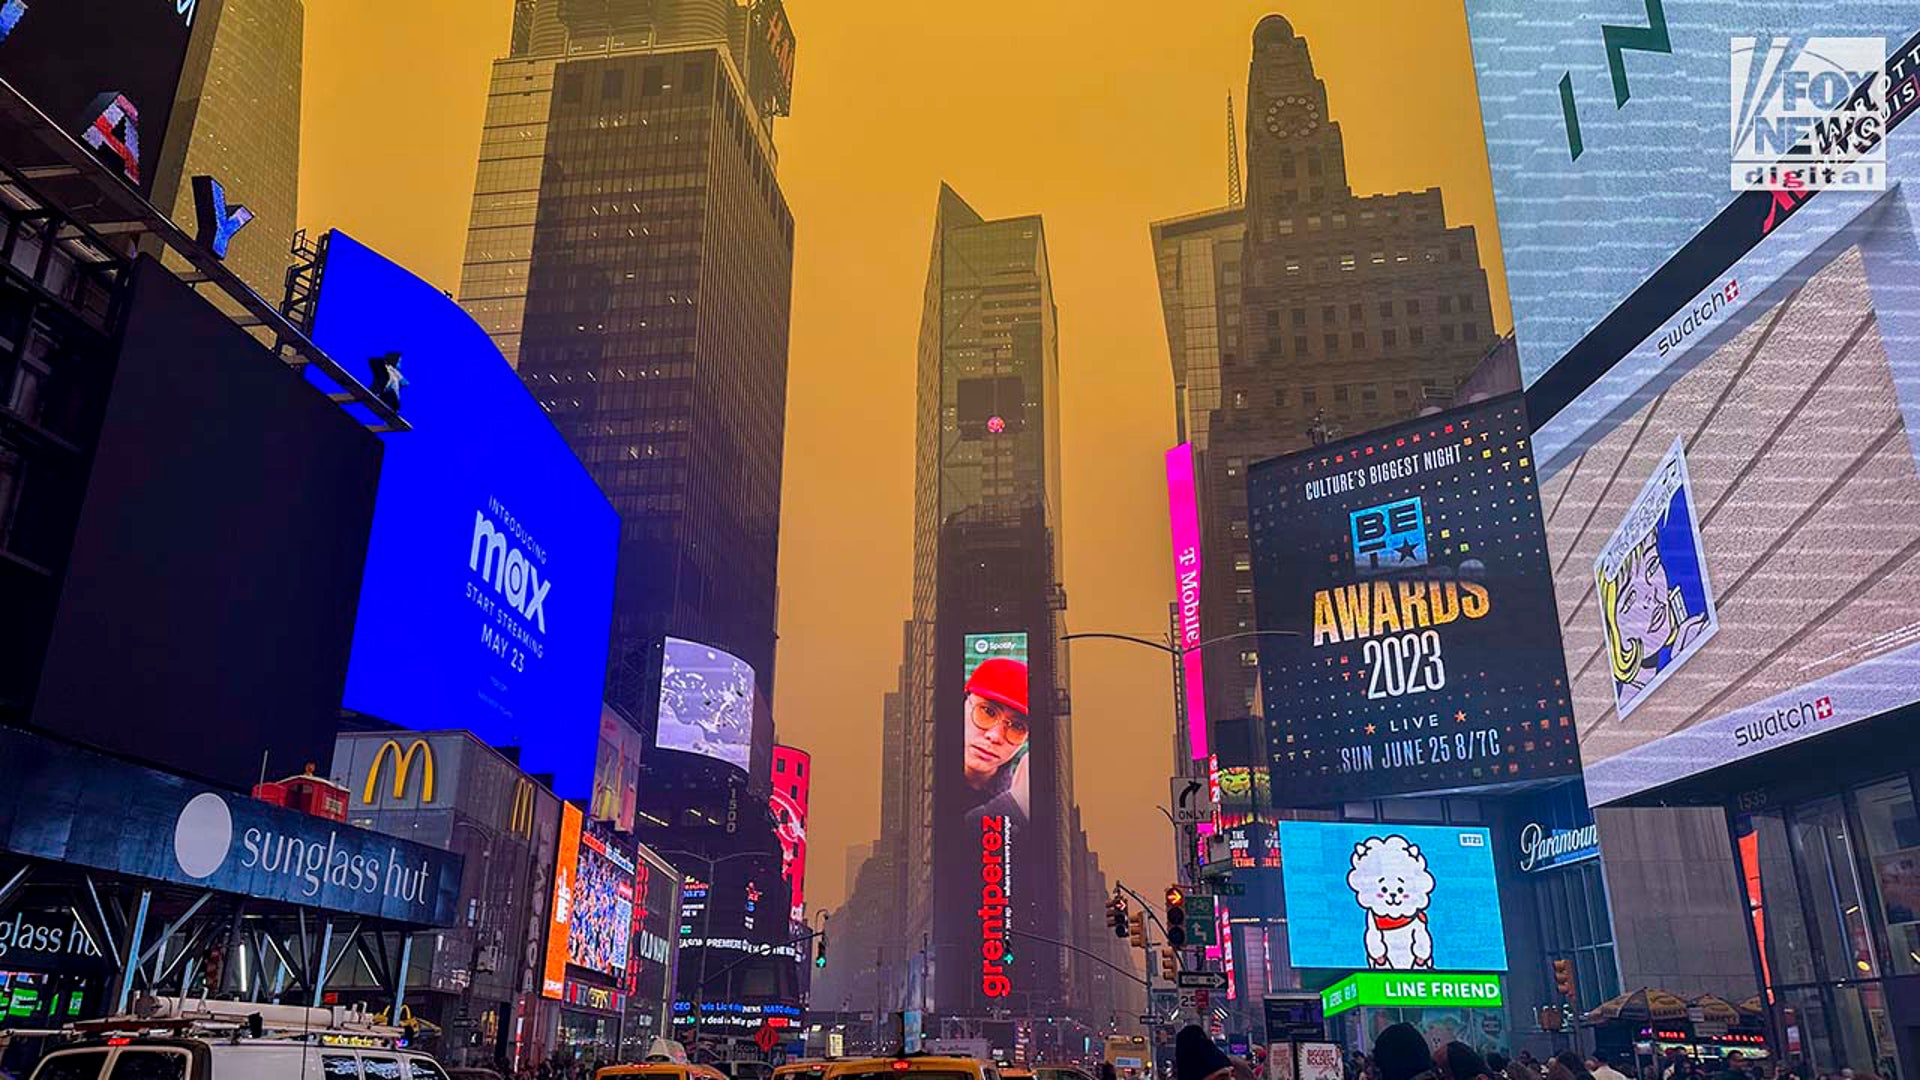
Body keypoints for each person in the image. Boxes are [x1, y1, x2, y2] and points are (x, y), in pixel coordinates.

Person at [960, 656, 1032, 826]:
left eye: (1017, 726)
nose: (995, 736)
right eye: (987, 712)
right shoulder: (917, 775)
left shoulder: (1021, 803)